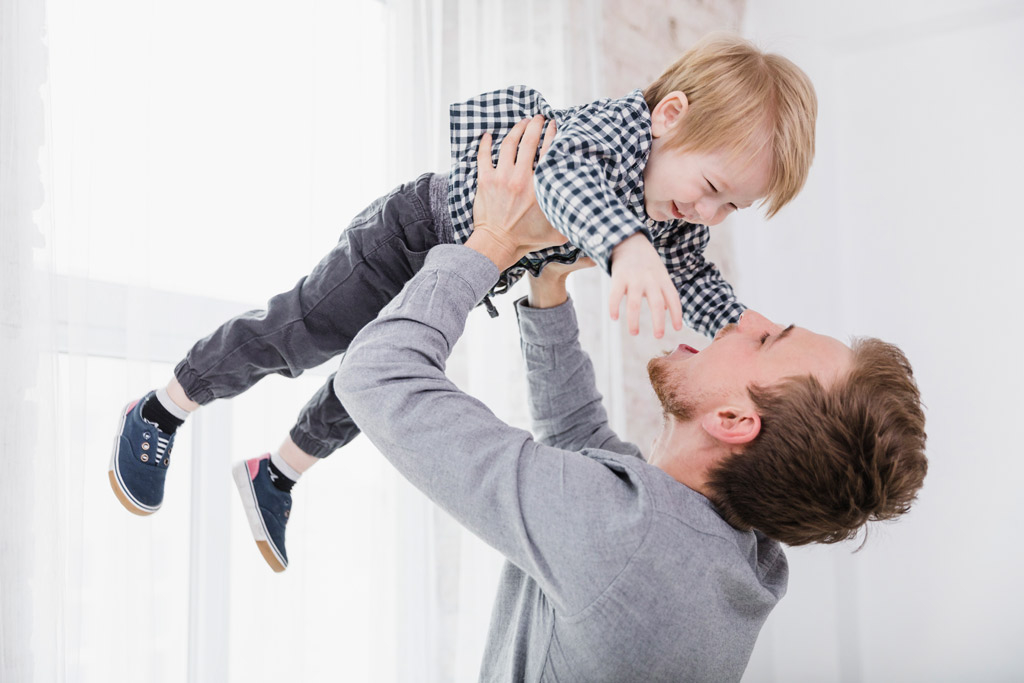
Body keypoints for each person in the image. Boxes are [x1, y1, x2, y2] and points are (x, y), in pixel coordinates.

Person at [108, 33, 818, 572]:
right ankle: (164, 404)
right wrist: (627, 246)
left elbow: (692, 272)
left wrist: (739, 325)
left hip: (473, 269)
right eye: (714, 187)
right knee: (301, 333)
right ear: (668, 117)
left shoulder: (674, 213)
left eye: (732, 207)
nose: (710, 213)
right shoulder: (614, 130)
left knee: (374, 387)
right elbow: (563, 178)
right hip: (411, 234)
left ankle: (278, 471)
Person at [334, 117, 927, 681]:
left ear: (733, 420)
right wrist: (549, 284)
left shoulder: (628, 541)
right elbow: (586, 454)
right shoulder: (740, 556)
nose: (751, 319)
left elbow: (377, 376)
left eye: (769, 340)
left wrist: (490, 238)